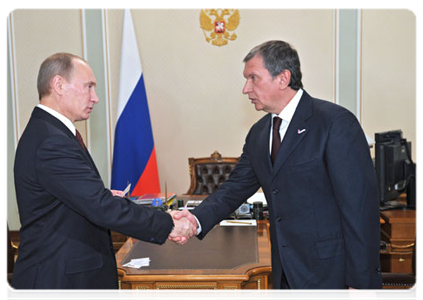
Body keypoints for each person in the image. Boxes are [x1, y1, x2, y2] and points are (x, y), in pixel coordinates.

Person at [172, 41, 382, 300]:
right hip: (285, 273)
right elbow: (234, 189)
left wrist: (362, 282)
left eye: (253, 78)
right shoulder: (259, 133)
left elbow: (359, 209)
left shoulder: (334, 123)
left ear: (283, 78)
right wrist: (195, 220)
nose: (245, 88)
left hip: (332, 275)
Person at [11, 53, 196, 300]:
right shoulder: (52, 141)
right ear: (58, 85)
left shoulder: (50, 132)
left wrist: (99, 195)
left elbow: (68, 197)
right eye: (88, 86)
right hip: (58, 285)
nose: (95, 98)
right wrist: (169, 224)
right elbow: (101, 208)